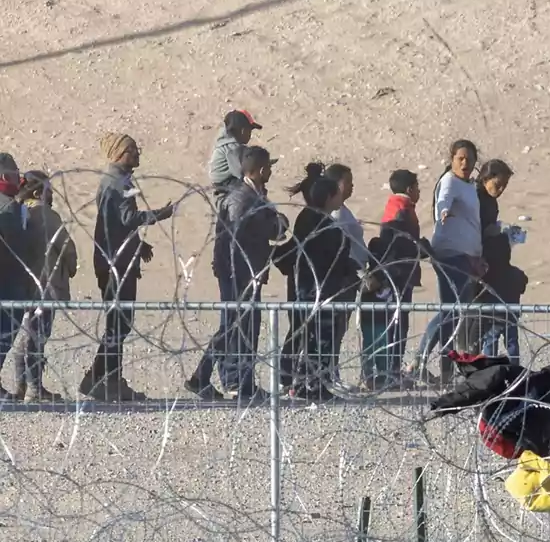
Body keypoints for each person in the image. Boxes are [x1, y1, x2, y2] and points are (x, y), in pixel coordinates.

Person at [82, 133, 175, 403]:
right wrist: (159, 214)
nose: (138, 154)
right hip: (115, 264)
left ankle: (100, 379)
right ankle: (109, 382)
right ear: (119, 154)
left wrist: (138, 245)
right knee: (118, 325)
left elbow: (118, 225)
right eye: (132, 150)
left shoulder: (121, 181)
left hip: (118, 258)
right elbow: (128, 218)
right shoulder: (116, 183)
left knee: (119, 324)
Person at [187, 147, 282, 403]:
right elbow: (233, 238)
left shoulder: (256, 195)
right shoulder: (241, 198)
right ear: (261, 170)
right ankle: (204, 377)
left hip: (250, 271)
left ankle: (244, 382)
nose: (271, 171)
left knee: (246, 327)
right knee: (232, 326)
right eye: (269, 168)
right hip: (239, 273)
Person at [286, 164, 359, 400]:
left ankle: (302, 383)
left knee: (311, 338)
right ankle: (314, 386)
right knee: (321, 339)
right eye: (337, 194)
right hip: (321, 289)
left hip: (307, 287)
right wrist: (353, 269)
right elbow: (334, 259)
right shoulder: (326, 226)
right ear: (329, 198)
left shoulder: (308, 218)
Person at [417, 139, 482, 381]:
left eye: (469, 159)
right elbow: (444, 198)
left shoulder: (469, 186)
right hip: (450, 255)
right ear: (452, 159)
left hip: (466, 256)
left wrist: (477, 254)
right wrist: (443, 210)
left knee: (454, 312)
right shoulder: (449, 181)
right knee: (450, 313)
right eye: (460, 158)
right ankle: (425, 362)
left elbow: (471, 224)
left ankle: (442, 366)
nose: (465, 163)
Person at [360, 169, 428, 390]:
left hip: (398, 275)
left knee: (397, 323)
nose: (419, 191)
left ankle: (389, 371)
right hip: (398, 277)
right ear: (410, 189)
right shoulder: (401, 210)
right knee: (397, 324)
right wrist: (422, 249)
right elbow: (398, 246)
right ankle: (389, 372)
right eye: (417, 187)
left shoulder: (397, 207)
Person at [12, 170, 76, 403]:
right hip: (46, 285)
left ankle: (20, 385)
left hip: (22, 285)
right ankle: (35, 388)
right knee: (38, 337)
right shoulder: (46, 215)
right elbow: (66, 245)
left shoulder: (17, 211)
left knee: (26, 336)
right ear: (39, 191)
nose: (52, 195)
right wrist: (72, 267)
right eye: (49, 189)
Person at [474, 159, 527, 362]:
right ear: (486, 178)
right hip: (484, 268)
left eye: (504, 186)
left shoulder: (490, 202)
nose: (501, 189)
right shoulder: (476, 198)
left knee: (505, 334)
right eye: (498, 184)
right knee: (490, 331)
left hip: (496, 267)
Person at [325, 163, 368, 384]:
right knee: (335, 329)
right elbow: (342, 249)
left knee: (339, 330)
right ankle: (329, 376)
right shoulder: (336, 214)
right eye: (347, 182)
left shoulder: (343, 210)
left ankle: (331, 375)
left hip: (352, 277)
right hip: (345, 278)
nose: (351, 186)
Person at [0, 153, 33, 402]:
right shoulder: (7, 206)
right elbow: (14, 244)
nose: (18, 177)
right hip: (9, 280)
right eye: (14, 173)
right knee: (5, 333)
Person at [208, 110, 262, 196]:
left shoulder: (225, 144)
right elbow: (240, 172)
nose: (250, 134)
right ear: (243, 131)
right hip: (225, 188)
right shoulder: (232, 149)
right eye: (250, 130)